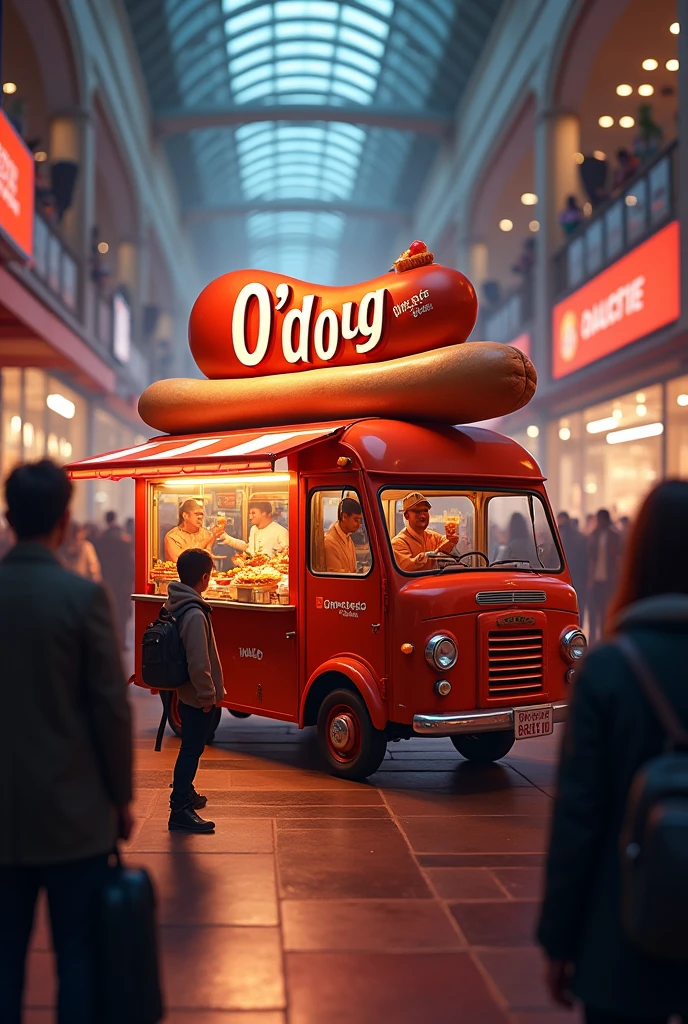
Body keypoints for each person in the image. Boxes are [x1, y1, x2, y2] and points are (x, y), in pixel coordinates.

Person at [537, 480, 688, 1023]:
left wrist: (559, 940)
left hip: (621, 931)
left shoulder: (609, 668)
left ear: (636, 552)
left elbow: (579, 816)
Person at [0, 460, 132, 1023]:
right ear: (64, 519)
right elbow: (109, 707)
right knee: (77, 953)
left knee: (4, 958)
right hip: (73, 812)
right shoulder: (81, 598)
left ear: (9, 517)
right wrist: (120, 797)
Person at [167, 548, 224, 834]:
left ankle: (186, 795)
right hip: (195, 695)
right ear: (204, 578)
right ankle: (180, 809)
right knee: (191, 749)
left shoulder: (177, 603)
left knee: (190, 746)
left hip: (185, 692)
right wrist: (207, 697)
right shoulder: (194, 613)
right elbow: (199, 661)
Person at [95, 510, 135, 646]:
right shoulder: (124, 539)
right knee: (122, 612)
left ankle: (110, 640)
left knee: (109, 610)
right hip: (123, 582)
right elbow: (129, 563)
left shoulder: (101, 539)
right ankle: (121, 640)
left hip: (107, 581)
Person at [164, 499, 247, 563]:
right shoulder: (172, 537)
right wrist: (210, 538)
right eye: (196, 514)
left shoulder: (206, 533)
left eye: (202, 514)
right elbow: (181, 561)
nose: (200, 517)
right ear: (185, 515)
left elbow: (208, 557)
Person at [391, 492, 456, 571]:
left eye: (425, 510)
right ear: (406, 516)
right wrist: (422, 558)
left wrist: (451, 538)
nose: (422, 515)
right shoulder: (398, 543)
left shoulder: (432, 536)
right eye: (417, 511)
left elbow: (445, 542)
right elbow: (406, 566)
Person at [587, 509, 622, 642]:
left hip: (609, 579)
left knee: (605, 611)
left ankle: (604, 637)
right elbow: (589, 557)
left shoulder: (615, 536)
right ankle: (592, 640)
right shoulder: (593, 535)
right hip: (595, 579)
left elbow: (619, 556)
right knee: (593, 611)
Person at [557, 512, 587, 623]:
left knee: (578, 605)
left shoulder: (578, 538)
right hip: (564, 577)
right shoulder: (558, 537)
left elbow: (584, 560)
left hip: (575, 576)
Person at [324, 497, 363, 573]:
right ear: (344, 517)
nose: (359, 524)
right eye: (356, 520)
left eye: (360, 520)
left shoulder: (347, 536)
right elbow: (337, 577)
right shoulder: (330, 542)